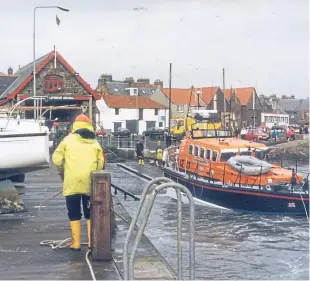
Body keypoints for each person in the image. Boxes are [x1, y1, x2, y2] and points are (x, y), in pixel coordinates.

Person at [52, 114, 104, 251]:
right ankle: (91, 242)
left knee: (73, 211)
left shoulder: (67, 140)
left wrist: (62, 169)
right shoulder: (95, 142)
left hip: (72, 182)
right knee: (90, 212)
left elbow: (56, 159)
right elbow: (101, 163)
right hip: (89, 183)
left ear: (75, 125)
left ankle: (76, 243)